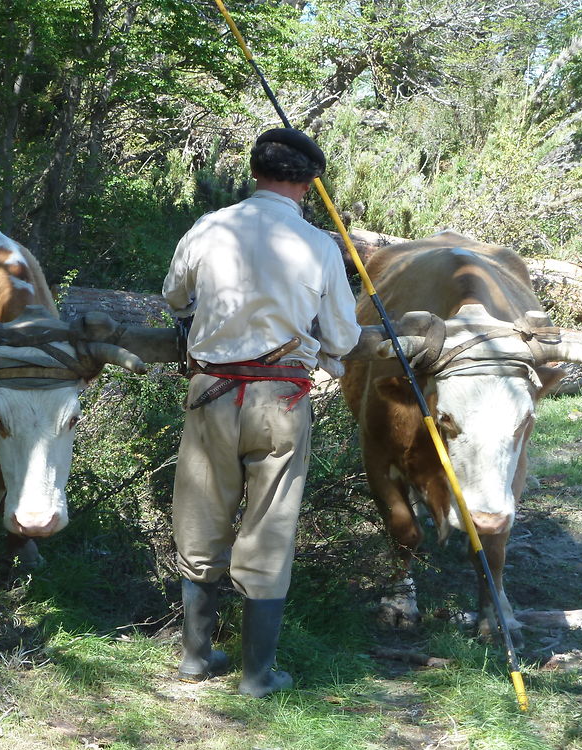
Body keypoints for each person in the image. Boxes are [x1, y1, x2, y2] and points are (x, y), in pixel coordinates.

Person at [162, 128, 361, 697]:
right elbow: (344, 338)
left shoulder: (209, 227)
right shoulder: (321, 245)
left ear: (255, 172)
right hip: (281, 399)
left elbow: (175, 296)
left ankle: (196, 658)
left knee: (200, 513)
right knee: (269, 522)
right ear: (308, 183)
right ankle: (257, 674)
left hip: (210, 394)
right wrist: (320, 346)